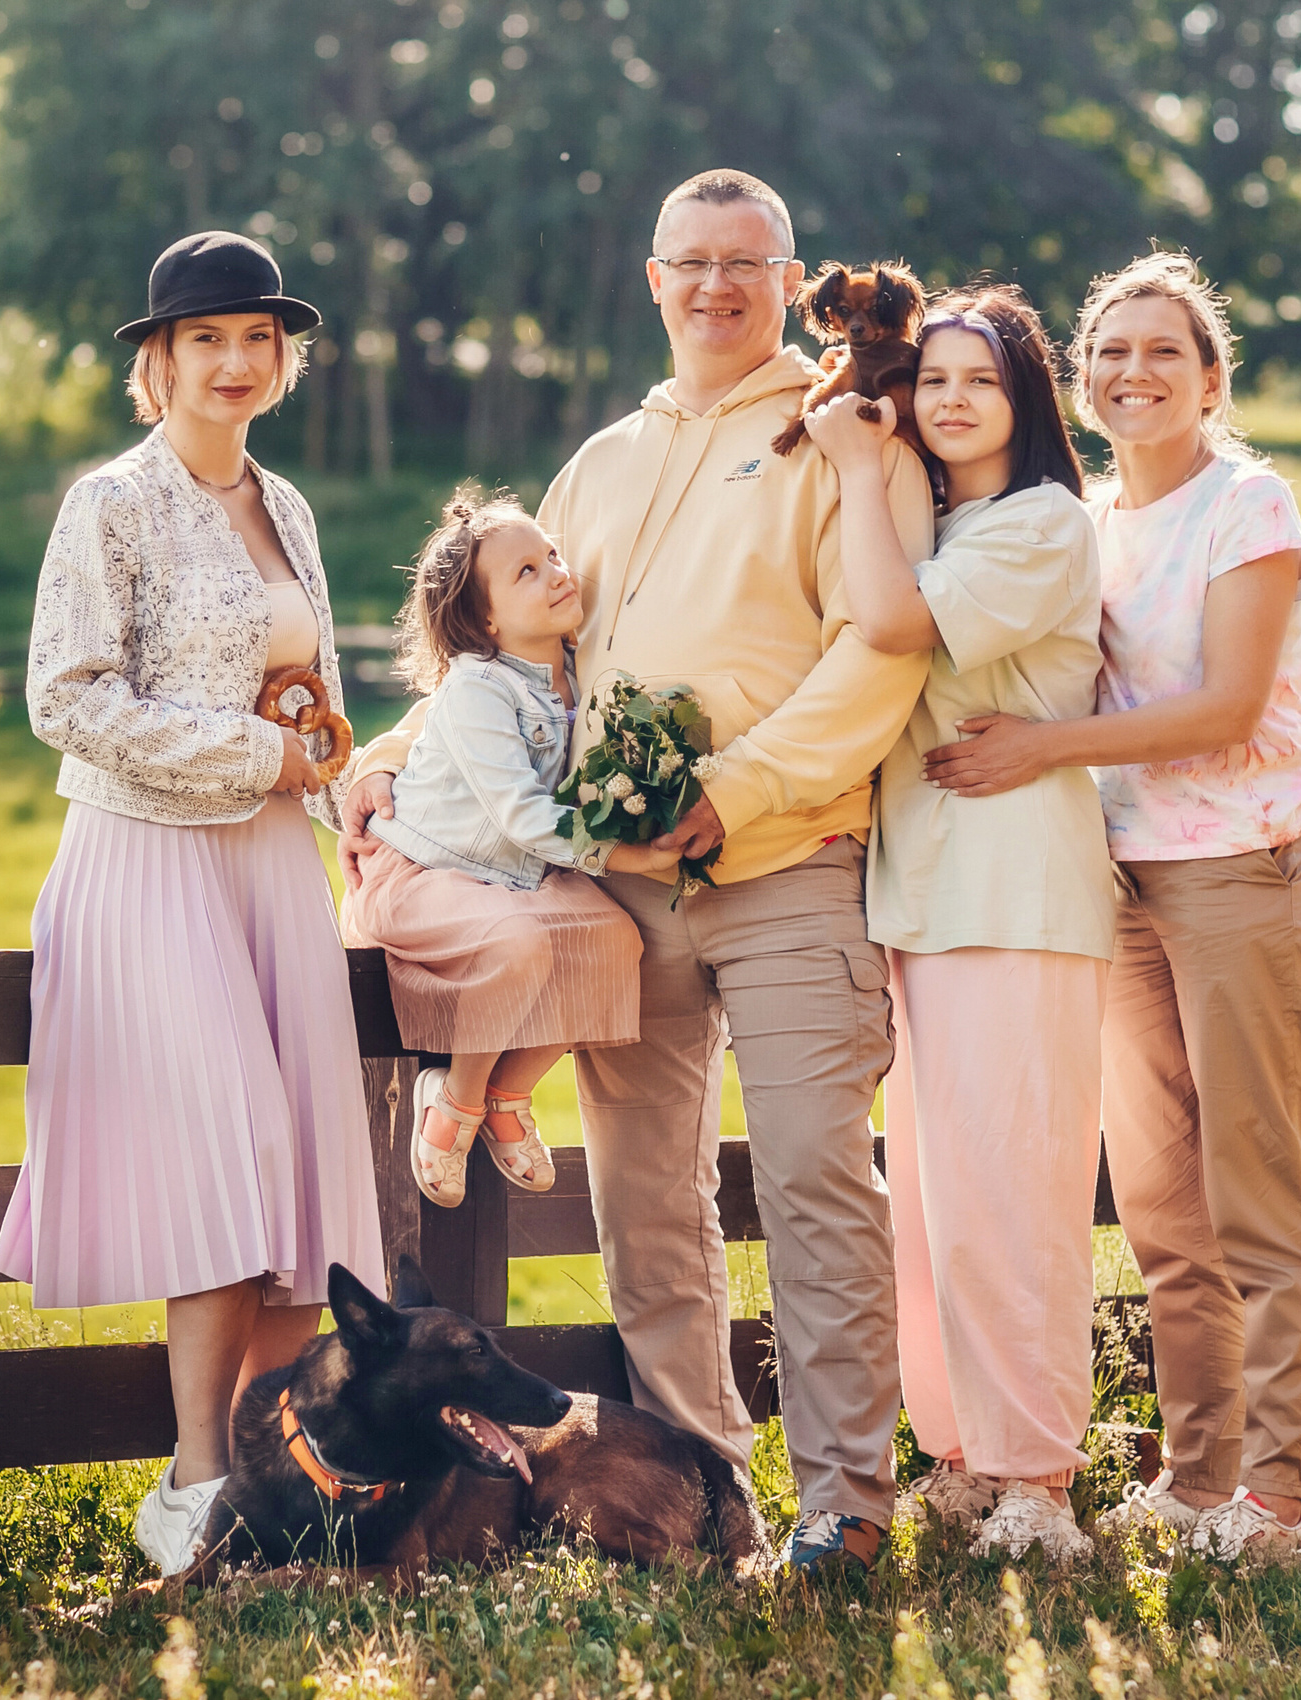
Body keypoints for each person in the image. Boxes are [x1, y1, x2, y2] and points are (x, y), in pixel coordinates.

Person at [344, 169, 936, 1573]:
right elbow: (522, 647)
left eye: (747, 262)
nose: (717, 286)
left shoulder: (845, 439)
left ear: (791, 281)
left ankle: (845, 1504)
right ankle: (703, 1491)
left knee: (810, 1183)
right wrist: (396, 750)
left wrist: (734, 793)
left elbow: (880, 652)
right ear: (654, 281)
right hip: (618, 892)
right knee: (648, 1206)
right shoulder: (604, 459)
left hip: (791, 863)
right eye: (691, 262)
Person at [927, 250, 1301, 1565]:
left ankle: (1275, 1498)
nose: (1132, 372)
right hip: (1122, 888)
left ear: (1210, 377)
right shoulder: (1091, 517)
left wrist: (1038, 752)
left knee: (1268, 1195)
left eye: (1163, 350)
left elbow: (1226, 709)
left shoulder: (1250, 506)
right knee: (1165, 1210)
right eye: (1109, 351)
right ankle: (1195, 1473)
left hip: (1247, 870)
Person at [0, 231, 385, 1578]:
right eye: (205, 340)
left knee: (297, 1188)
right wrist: (258, 759)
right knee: (227, 1164)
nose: (234, 363)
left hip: (278, 867)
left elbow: (311, 707)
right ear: (155, 364)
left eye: (257, 340)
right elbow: (67, 698)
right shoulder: (111, 504)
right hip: (149, 860)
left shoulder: (292, 509)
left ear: (285, 360)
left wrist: (345, 801)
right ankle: (193, 1486)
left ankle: (270, 1488)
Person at [802, 282, 1111, 1564]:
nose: (948, 399)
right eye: (929, 379)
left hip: (1017, 891)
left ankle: (1038, 1473)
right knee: (927, 1200)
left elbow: (888, 622)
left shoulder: (1040, 522)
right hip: (926, 893)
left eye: (977, 380)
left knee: (1011, 1194)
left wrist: (853, 461)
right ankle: (966, 1457)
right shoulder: (950, 515)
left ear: (1024, 398)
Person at [342, 491, 669, 1208]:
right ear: (485, 620)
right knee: (519, 945)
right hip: (423, 871)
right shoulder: (477, 691)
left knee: (617, 941)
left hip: (512, 875)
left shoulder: (579, 674)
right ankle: (453, 1102)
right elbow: (524, 816)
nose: (557, 571)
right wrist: (628, 857)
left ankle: (506, 1093)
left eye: (551, 554)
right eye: (526, 571)